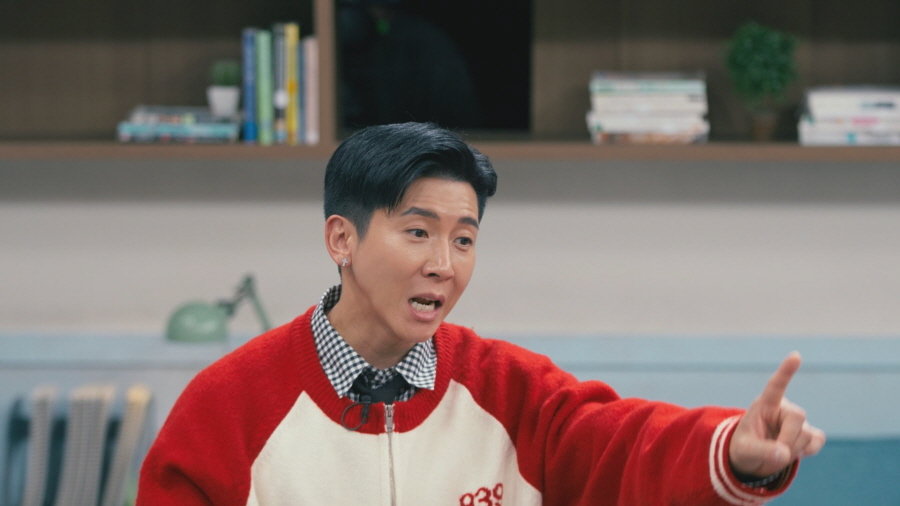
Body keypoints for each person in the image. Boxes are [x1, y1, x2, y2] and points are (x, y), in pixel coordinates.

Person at [137, 122, 825, 505]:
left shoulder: (512, 392)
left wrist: (732, 447)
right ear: (341, 239)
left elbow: (620, 445)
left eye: (464, 240)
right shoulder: (225, 407)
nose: (444, 263)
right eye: (417, 232)